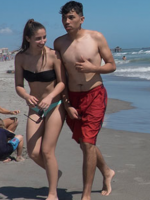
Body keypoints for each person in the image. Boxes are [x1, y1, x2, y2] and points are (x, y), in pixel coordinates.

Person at [54, 1, 116, 199]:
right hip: (72, 98)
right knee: (84, 143)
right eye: (64, 18)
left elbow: (112, 65)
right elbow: (61, 77)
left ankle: (86, 195)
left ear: (81, 19)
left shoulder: (96, 37)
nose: (67, 21)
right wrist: (66, 103)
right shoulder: (59, 43)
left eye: (71, 17)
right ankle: (106, 171)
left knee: (88, 144)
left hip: (95, 94)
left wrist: (93, 69)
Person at [15, 19, 66, 200]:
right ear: (28, 38)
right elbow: (19, 86)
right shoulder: (20, 58)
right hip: (35, 108)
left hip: (55, 105)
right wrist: (27, 97)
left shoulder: (53, 55)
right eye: (38, 38)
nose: (43, 41)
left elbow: (62, 83)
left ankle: (52, 194)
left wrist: (51, 96)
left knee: (46, 151)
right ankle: (55, 174)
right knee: (33, 152)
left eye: (44, 37)